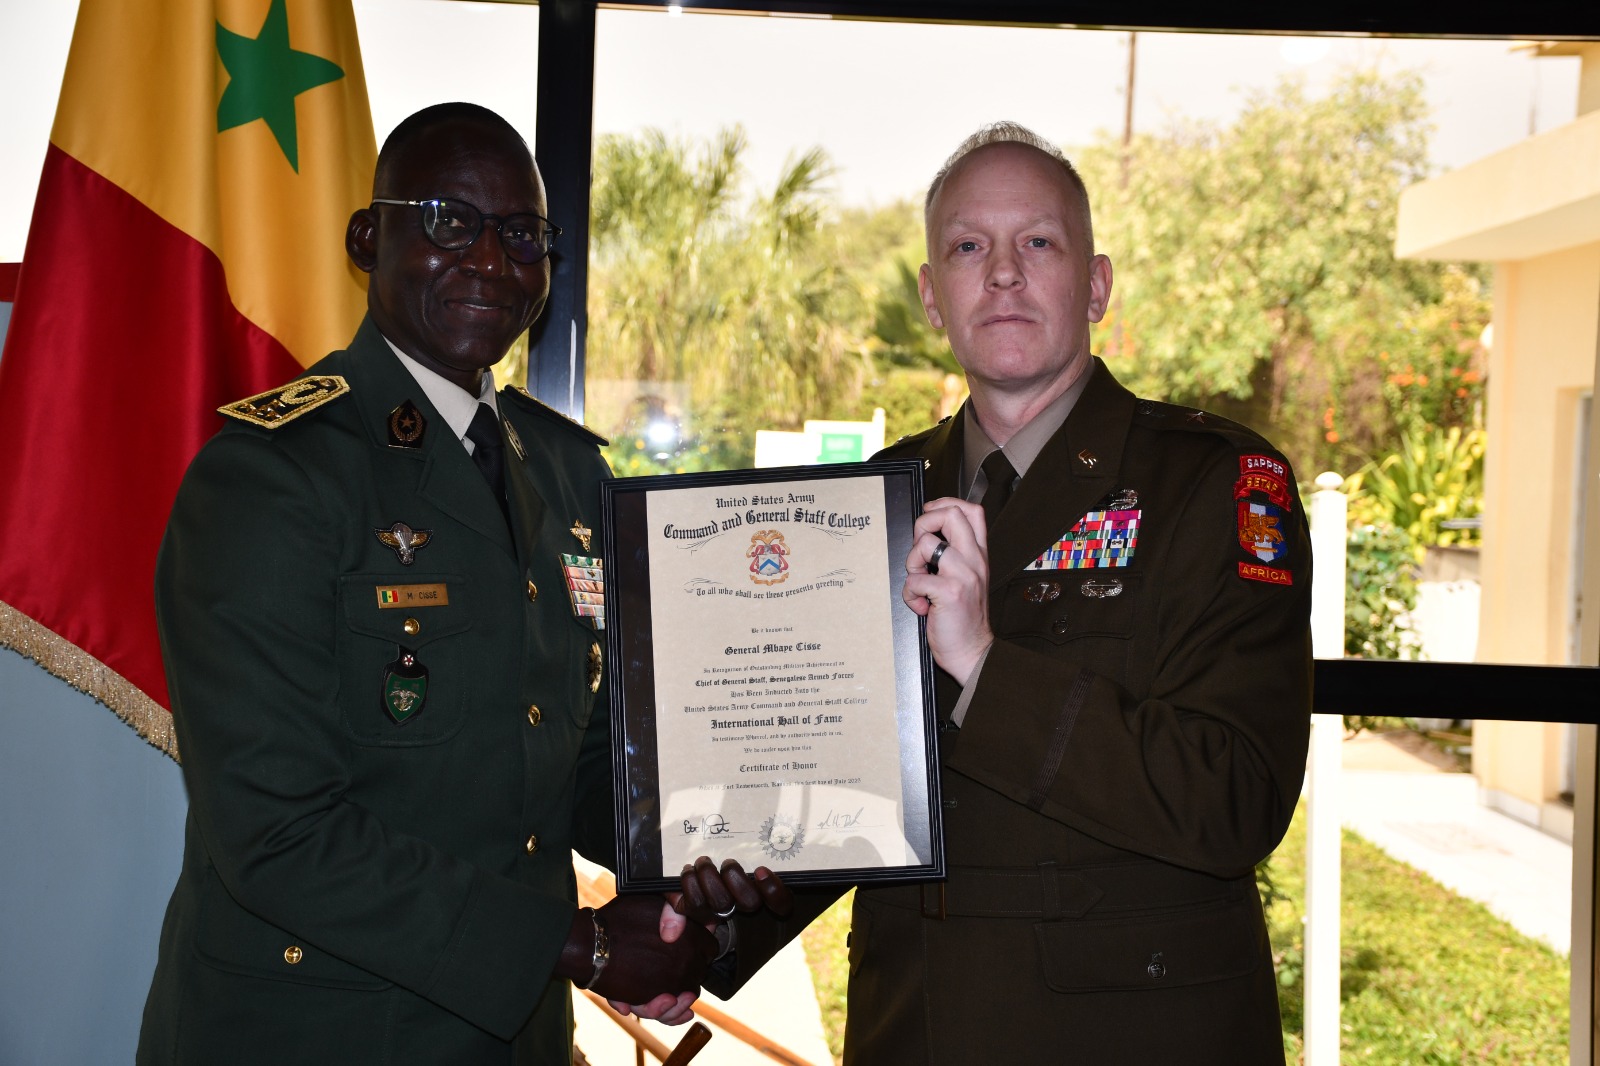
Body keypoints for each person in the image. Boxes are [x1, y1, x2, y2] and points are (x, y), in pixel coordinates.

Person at [136, 102, 782, 1066]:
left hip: (512, 1036)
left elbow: (572, 754)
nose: (490, 258)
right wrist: (589, 943)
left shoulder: (566, 474)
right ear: (369, 238)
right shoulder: (271, 477)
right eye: (447, 219)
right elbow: (276, 831)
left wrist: (696, 860)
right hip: (313, 1031)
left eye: (522, 233)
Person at [714, 123, 1313, 1063]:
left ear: (1098, 286)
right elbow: (851, 791)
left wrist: (985, 669)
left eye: (1037, 242)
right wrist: (704, 937)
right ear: (931, 298)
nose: (1001, 273)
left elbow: (1235, 797)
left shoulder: (1216, 484)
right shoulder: (869, 502)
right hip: (912, 1026)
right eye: (967, 247)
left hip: (1131, 1035)